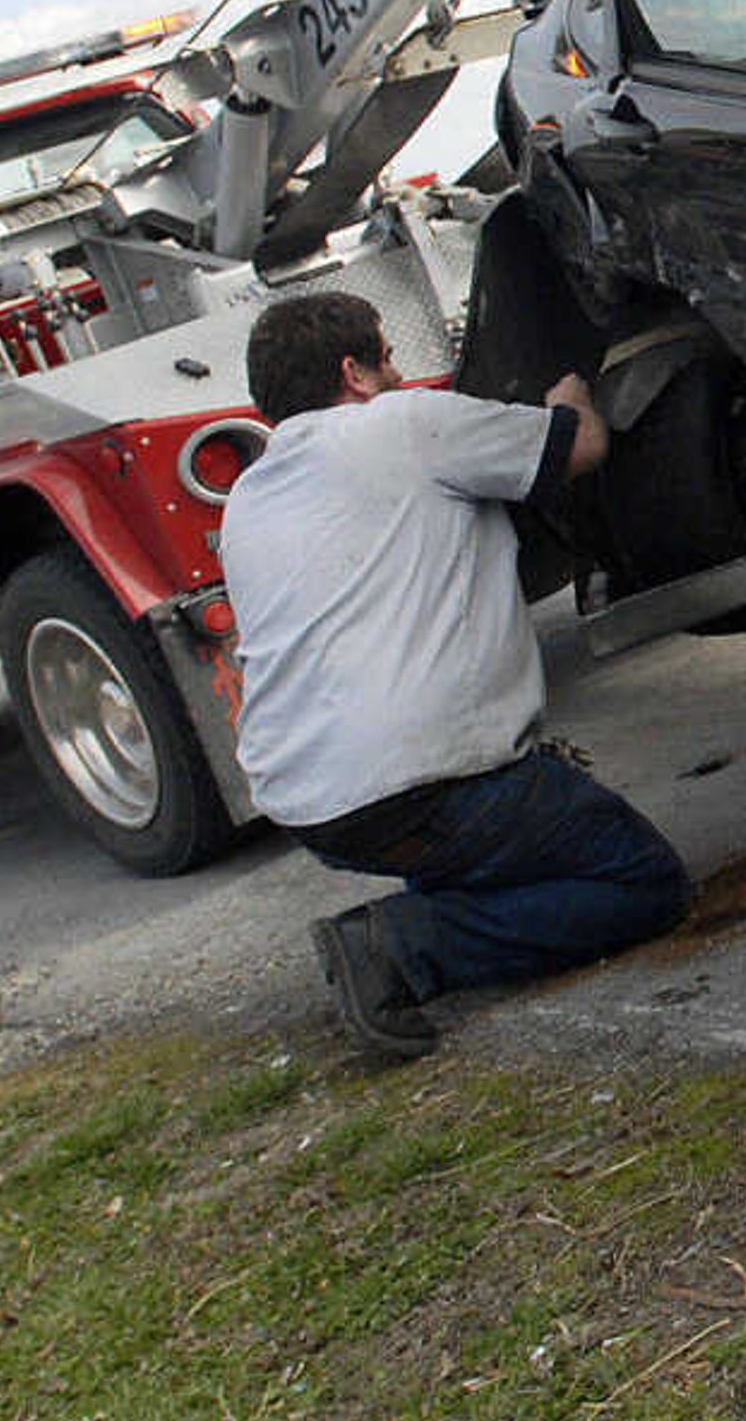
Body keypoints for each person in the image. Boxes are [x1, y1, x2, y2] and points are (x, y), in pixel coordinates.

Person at [223, 290, 689, 1057]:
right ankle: (405, 946)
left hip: (313, 805)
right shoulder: (400, 426)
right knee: (640, 882)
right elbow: (577, 449)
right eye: (389, 355)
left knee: (486, 852)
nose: (401, 372)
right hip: (427, 789)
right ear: (355, 373)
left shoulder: (249, 496)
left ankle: (432, 914)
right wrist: (572, 399)